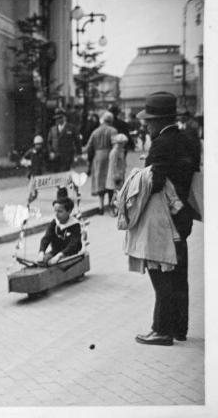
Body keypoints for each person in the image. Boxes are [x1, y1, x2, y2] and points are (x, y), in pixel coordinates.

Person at [134, 91, 200, 346]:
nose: (147, 125)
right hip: (183, 216)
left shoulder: (160, 144)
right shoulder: (189, 141)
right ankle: (179, 328)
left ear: (160, 121)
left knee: (160, 271)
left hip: (163, 219)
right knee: (179, 273)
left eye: (150, 121)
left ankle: (161, 329)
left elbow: (156, 181)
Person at [84, 111, 118, 213]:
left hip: (98, 158)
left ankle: (101, 207)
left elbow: (88, 147)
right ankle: (111, 206)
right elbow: (116, 144)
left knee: (100, 182)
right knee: (110, 181)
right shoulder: (113, 130)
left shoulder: (95, 132)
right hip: (110, 157)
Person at [36, 197, 82, 266]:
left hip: (70, 253)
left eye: (60, 211)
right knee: (43, 261)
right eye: (55, 211)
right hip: (56, 251)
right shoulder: (54, 223)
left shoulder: (75, 225)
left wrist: (60, 255)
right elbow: (46, 238)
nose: (56, 214)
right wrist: (41, 252)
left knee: (58, 264)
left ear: (69, 211)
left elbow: (73, 244)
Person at [46, 107, 81, 173]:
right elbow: (49, 142)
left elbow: (77, 141)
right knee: (56, 174)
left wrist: (78, 154)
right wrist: (51, 152)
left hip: (67, 156)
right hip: (55, 156)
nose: (58, 120)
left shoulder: (71, 128)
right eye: (56, 118)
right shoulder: (52, 129)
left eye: (60, 118)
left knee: (65, 173)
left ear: (64, 117)